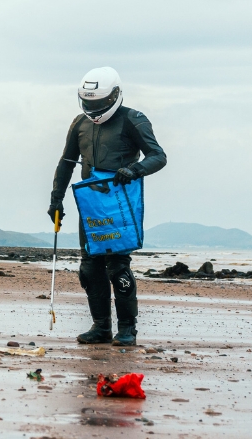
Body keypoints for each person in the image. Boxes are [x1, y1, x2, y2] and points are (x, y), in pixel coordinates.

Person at [49, 67, 166, 347]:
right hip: (90, 204)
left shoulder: (133, 120)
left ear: (114, 95)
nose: (93, 109)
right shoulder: (80, 123)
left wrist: (135, 169)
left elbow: (158, 156)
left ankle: (127, 328)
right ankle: (101, 327)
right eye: (88, 103)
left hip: (118, 203)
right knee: (90, 268)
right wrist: (56, 199)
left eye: (98, 104)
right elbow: (66, 163)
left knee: (117, 267)